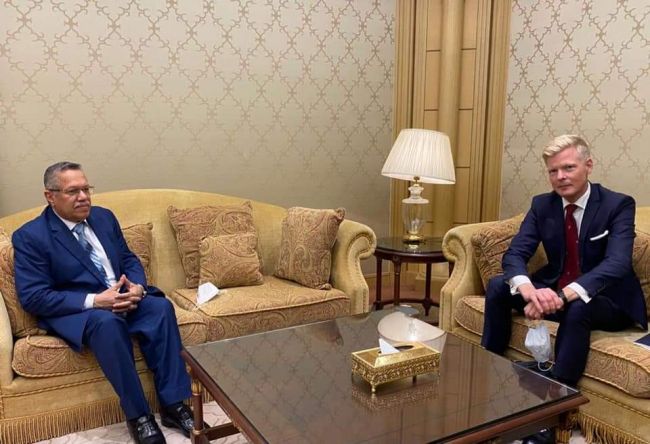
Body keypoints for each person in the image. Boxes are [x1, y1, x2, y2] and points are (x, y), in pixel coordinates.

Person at [13, 162, 198, 444]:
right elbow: (33, 296)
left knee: (160, 308)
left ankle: (173, 405)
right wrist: (96, 300)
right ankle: (140, 417)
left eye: (86, 189)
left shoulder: (103, 217)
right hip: (82, 309)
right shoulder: (30, 236)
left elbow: (127, 258)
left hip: (122, 296)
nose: (83, 197)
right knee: (108, 323)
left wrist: (137, 288)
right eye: (73, 191)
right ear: (50, 196)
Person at [481, 135, 647, 444]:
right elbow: (516, 254)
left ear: (588, 165)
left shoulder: (617, 204)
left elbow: (617, 263)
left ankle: (552, 412)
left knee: (578, 306)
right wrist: (529, 290)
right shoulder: (542, 205)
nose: (560, 177)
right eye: (553, 171)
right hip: (554, 288)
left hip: (608, 300)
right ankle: (489, 371)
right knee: (498, 286)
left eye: (568, 168)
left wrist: (560, 296)